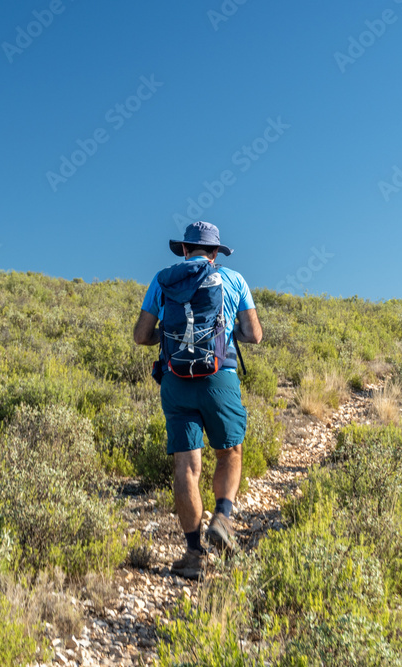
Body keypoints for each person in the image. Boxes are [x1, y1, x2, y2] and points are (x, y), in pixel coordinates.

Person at [133, 221, 263, 580]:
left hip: (175, 379)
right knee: (229, 451)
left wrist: (172, 337)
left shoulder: (162, 280)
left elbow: (141, 336)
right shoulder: (234, 279)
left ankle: (193, 556)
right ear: (216, 253)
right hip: (220, 377)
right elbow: (254, 334)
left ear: (185, 249)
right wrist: (222, 332)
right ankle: (222, 516)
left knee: (186, 467)